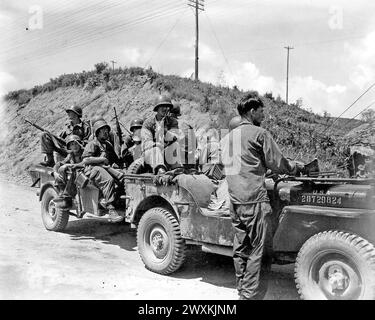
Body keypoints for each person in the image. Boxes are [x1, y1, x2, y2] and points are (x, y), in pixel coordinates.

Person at [221, 94, 305, 300]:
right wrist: (294, 167)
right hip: (255, 201)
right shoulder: (260, 133)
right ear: (252, 111)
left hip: (235, 202)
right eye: (261, 111)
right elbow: (278, 163)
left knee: (242, 248)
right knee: (261, 251)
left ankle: (242, 290)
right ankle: (251, 297)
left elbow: (236, 167)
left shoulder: (226, 138)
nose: (263, 115)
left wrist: (261, 170)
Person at [82, 119, 124, 223]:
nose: (106, 132)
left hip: (105, 168)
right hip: (93, 169)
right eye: (103, 130)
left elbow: (115, 159)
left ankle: (117, 203)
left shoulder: (108, 145)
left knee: (123, 177)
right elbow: (86, 160)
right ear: (97, 132)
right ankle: (111, 209)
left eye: (107, 130)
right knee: (108, 180)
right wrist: (101, 159)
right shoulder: (92, 144)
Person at [141, 94, 181, 174]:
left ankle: (177, 169)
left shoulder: (172, 121)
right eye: (162, 106)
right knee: (156, 149)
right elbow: (146, 143)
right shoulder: (148, 123)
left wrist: (165, 131)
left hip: (166, 153)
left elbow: (175, 137)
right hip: (151, 155)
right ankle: (160, 171)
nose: (165, 109)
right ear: (157, 108)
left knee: (175, 145)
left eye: (167, 107)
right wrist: (157, 144)